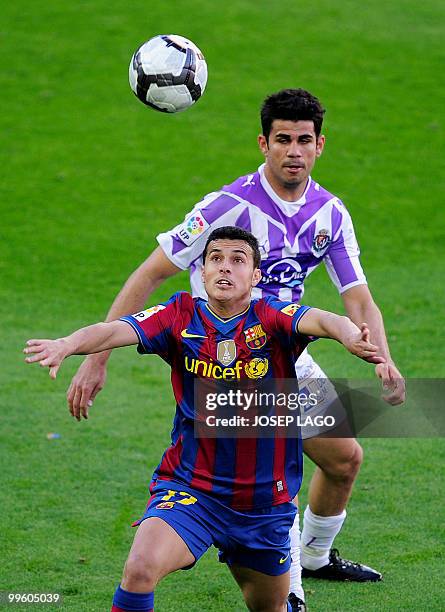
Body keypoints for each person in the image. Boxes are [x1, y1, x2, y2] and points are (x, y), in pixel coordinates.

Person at [66, 89, 405, 609]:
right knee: (268, 470)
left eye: (304, 140)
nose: (294, 150)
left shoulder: (331, 214)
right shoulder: (226, 208)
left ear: (320, 145)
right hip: (223, 363)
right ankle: (287, 590)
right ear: (263, 143)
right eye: (283, 139)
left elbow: (358, 297)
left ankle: (313, 558)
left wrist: (383, 356)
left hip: (283, 350)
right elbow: (150, 274)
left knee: (343, 460)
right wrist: (97, 358)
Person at [25, 227, 385, 612]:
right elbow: (114, 330)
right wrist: (68, 344)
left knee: (270, 607)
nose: (225, 268)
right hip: (192, 490)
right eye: (215, 258)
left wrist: (349, 335)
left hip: (262, 505)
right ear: (202, 269)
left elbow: (325, 320)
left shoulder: (273, 317)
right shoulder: (179, 316)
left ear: (255, 275)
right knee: (140, 568)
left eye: (237, 260)